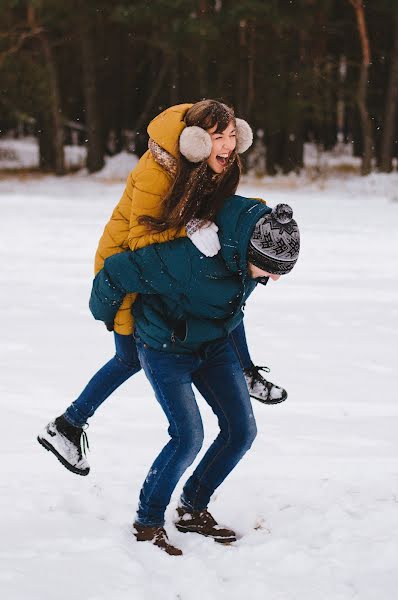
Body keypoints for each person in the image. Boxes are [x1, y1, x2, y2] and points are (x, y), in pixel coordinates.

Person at [37, 101, 286, 477]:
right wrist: (191, 231)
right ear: (196, 141)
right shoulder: (157, 170)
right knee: (130, 356)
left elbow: (219, 209)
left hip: (164, 267)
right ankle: (67, 425)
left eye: (234, 136)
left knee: (219, 298)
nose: (229, 146)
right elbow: (140, 242)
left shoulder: (213, 164)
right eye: (219, 137)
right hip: (127, 271)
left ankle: (245, 370)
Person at [41, 196, 300, 556]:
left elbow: (231, 311)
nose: (274, 278)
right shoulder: (189, 258)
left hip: (214, 346)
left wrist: (247, 367)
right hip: (165, 348)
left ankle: (193, 508)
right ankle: (147, 524)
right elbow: (117, 271)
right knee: (187, 437)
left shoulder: (246, 259)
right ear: (250, 252)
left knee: (241, 430)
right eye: (271, 269)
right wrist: (108, 318)